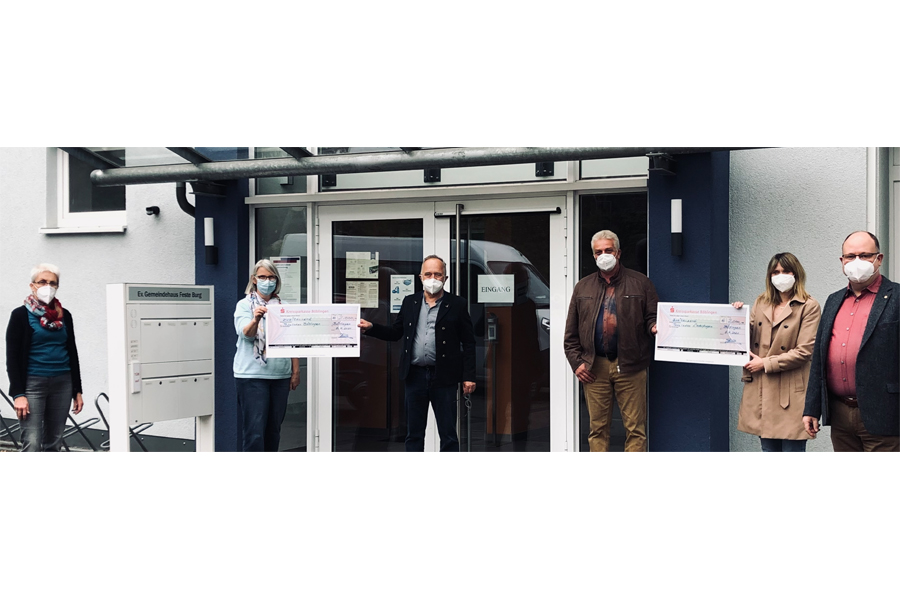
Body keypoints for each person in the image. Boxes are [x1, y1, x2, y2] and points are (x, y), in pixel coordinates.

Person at [358, 255, 476, 452]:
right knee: (414, 433)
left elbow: (469, 342)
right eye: (428, 274)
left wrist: (469, 377)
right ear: (420, 277)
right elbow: (396, 333)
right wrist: (371, 327)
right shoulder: (410, 302)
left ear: (445, 279)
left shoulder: (457, 304)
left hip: (444, 377)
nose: (432, 278)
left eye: (438, 274)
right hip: (415, 376)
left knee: (448, 433)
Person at [803, 231, 900, 451]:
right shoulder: (833, 300)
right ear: (842, 261)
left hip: (885, 415)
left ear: (879, 259)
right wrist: (811, 408)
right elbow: (819, 358)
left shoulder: (897, 297)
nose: (857, 262)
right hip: (840, 417)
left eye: (865, 255)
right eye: (850, 256)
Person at [564, 230, 658, 452]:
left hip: (631, 365)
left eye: (608, 250)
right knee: (597, 429)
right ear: (593, 255)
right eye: (599, 252)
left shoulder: (641, 283)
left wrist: (655, 327)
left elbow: (652, 317)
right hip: (594, 366)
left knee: (636, 430)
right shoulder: (583, 287)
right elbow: (571, 332)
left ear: (618, 253)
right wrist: (577, 363)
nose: (603, 255)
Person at [732, 252, 821, 451]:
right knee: (768, 450)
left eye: (786, 271)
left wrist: (765, 363)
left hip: (790, 392)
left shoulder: (809, 306)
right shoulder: (761, 302)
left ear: (796, 274)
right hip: (762, 388)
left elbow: (805, 351)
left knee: (792, 451)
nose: (781, 276)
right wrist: (736, 317)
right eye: (776, 272)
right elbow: (746, 338)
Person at [5, 263, 84, 451]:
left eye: (52, 283)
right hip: (33, 384)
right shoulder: (20, 315)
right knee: (32, 442)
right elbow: (12, 357)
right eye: (42, 282)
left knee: (54, 442)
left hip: (62, 383)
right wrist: (18, 394)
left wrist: (77, 389)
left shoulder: (65, 316)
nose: (47, 286)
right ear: (32, 285)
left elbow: (72, 352)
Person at [233, 259, 301, 452]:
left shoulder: (284, 306)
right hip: (252, 376)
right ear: (254, 279)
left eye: (271, 277)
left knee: (274, 430)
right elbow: (245, 334)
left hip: (280, 375)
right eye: (262, 277)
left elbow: (292, 341)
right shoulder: (244, 305)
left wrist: (295, 371)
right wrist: (256, 318)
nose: (267, 281)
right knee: (254, 432)